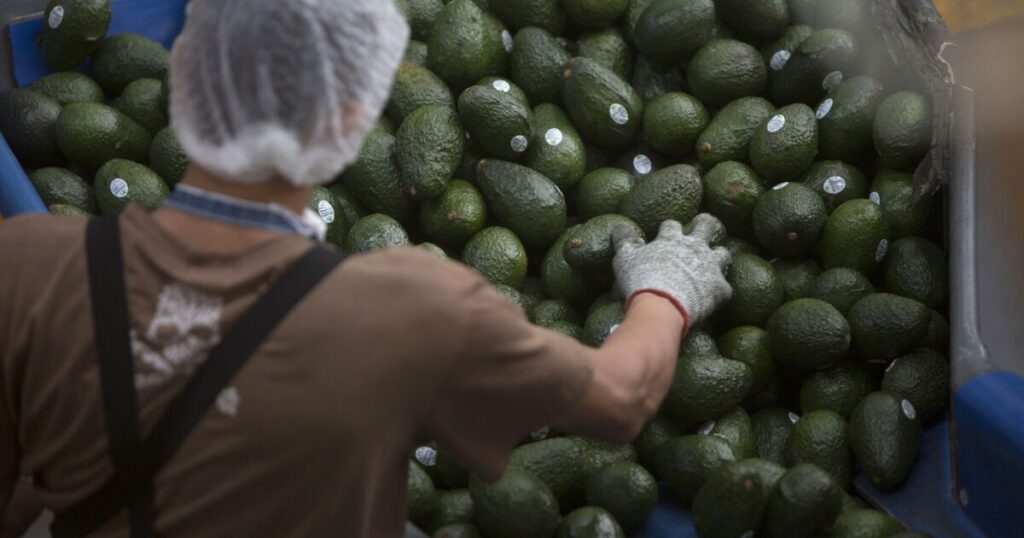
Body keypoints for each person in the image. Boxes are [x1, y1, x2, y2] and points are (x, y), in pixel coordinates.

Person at [0, 0, 732, 536]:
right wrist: (667, 284)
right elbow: (620, 399)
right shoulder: (416, 308)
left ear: (182, 73)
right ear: (354, 124)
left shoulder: (26, 264)